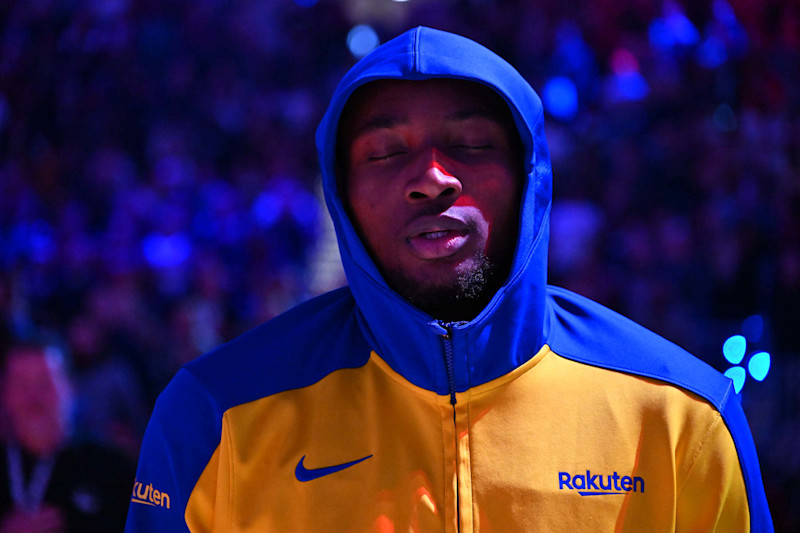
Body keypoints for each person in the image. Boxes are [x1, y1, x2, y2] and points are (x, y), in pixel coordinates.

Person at [125, 27, 772, 532]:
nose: (432, 177)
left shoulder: (681, 416)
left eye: (471, 144)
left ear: (530, 179)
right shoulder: (215, 417)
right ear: (342, 195)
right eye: (384, 152)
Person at [0, 337, 134, 532]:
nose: (33, 399)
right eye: (21, 385)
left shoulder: (113, 468)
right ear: (5, 394)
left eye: (44, 383)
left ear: (70, 388)